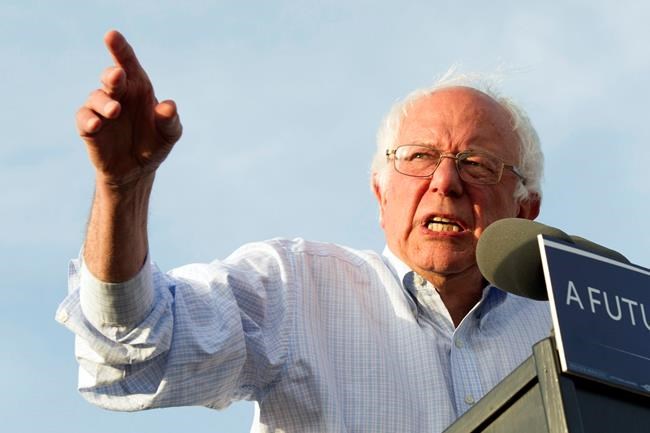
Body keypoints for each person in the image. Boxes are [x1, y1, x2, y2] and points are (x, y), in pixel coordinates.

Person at [57, 30, 551, 432]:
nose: (445, 182)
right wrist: (123, 190)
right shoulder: (295, 289)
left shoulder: (565, 326)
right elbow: (131, 348)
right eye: (419, 158)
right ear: (381, 194)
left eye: (478, 164)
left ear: (525, 209)